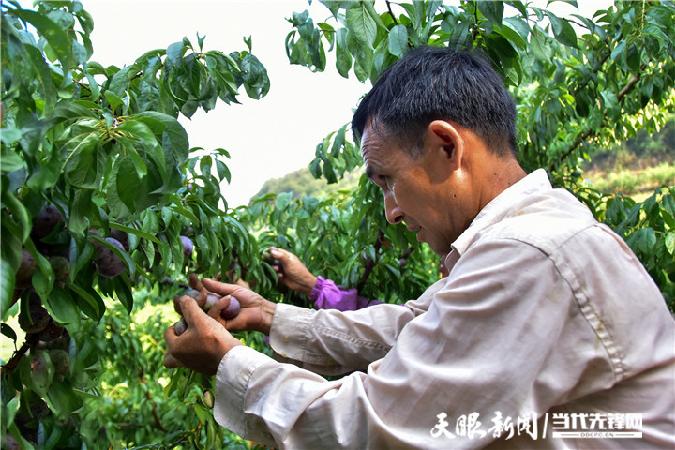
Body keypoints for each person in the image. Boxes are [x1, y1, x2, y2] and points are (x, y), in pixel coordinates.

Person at [163, 47, 675, 449]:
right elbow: (412, 326)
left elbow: (372, 431)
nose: (391, 210)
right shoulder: (524, 238)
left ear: (446, 147)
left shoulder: (529, 256)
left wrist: (227, 363)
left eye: (387, 180)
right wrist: (270, 316)